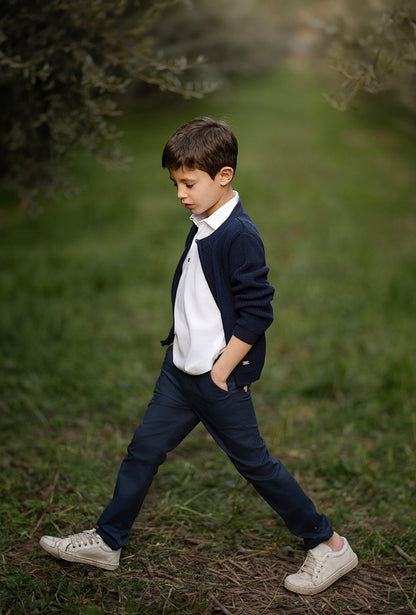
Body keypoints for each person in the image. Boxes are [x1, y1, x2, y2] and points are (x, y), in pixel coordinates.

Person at [39, 117, 358, 595]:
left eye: (188, 183)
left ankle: (330, 546)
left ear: (223, 176)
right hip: (179, 373)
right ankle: (108, 540)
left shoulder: (239, 234)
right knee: (143, 451)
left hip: (215, 377)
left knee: (256, 465)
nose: (180, 194)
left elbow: (256, 311)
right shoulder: (203, 223)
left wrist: (222, 372)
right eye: (175, 184)